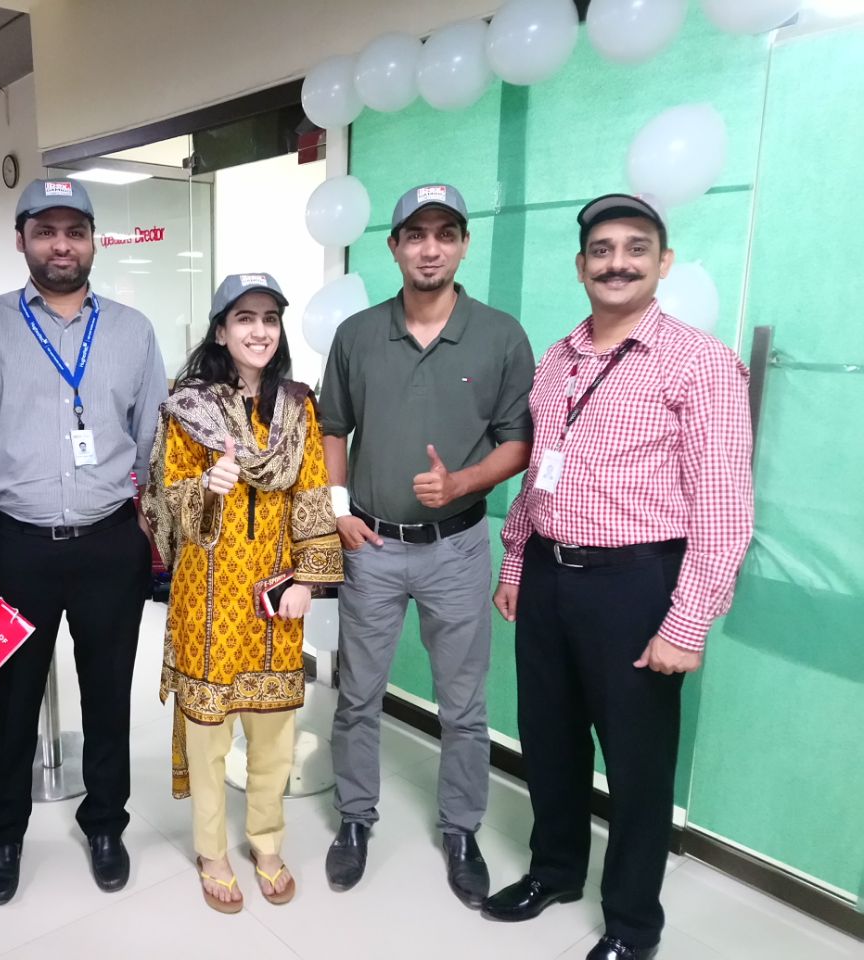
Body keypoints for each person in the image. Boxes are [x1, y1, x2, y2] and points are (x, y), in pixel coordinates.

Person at [481, 194, 754, 960]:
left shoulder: (699, 362)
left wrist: (686, 623)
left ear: (664, 263)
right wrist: (516, 559)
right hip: (547, 575)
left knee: (636, 764)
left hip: (637, 584)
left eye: (636, 248)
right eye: (601, 250)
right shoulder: (557, 358)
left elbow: (725, 510)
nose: (617, 262)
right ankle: (555, 871)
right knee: (549, 738)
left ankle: (634, 924)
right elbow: (540, 472)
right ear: (581, 266)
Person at [0, 179, 166, 905]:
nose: (61, 246)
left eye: (75, 231)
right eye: (46, 231)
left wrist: (154, 530)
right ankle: (4, 833)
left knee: (109, 694)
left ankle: (106, 825)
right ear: (22, 240)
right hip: (15, 548)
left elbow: (156, 444)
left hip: (110, 544)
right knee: (13, 699)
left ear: (93, 240)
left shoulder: (133, 330)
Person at [318, 184, 535, 906]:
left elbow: (519, 442)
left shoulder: (500, 336)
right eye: (416, 234)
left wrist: (464, 481)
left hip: (457, 549)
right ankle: (355, 818)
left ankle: (461, 829)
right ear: (394, 247)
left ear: (464, 244)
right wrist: (337, 509)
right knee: (358, 695)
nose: (430, 248)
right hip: (373, 546)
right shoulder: (357, 336)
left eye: (445, 233)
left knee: (463, 705)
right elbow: (332, 428)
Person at [144, 273, 343, 913]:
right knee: (208, 734)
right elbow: (160, 505)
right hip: (207, 597)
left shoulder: (297, 408)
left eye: (269, 319)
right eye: (245, 319)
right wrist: (206, 487)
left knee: (274, 734)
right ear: (221, 331)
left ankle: (267, 841)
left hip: (274, 596)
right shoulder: (187, 409)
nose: (259, 331)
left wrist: (308, 579)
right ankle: (212, 851)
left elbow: (312, 491)